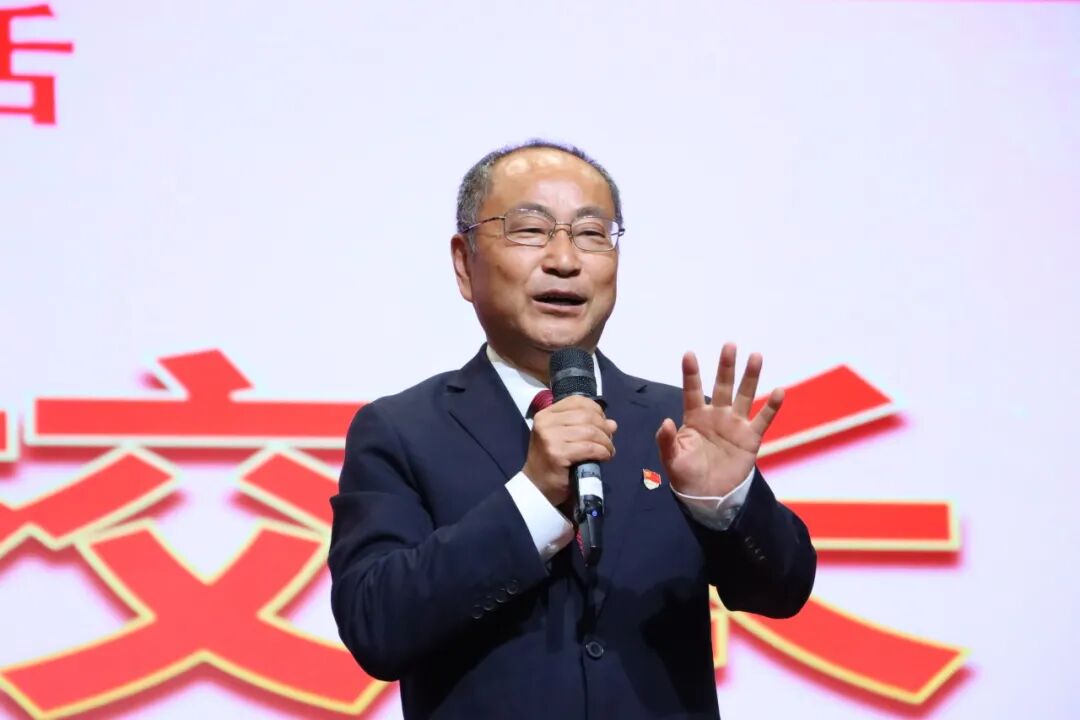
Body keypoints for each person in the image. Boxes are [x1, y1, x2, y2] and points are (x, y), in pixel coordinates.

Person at [328, 140, 816, 719]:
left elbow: (782, 591)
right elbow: (376, 625)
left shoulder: (679, 426)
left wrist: (725, 504)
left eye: (590, 233)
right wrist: (532, 499)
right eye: (530, 230)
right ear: (464, 262)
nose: (564, 259)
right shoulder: (402, 431)